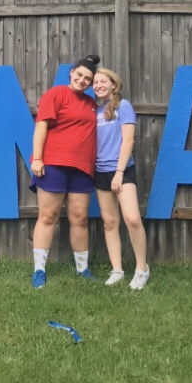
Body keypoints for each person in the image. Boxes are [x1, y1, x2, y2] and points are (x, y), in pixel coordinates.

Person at [29, 54, 100, 289]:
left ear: (91, 83)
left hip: (82, 168)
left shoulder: (92, 104)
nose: (82, 80)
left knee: (80, 218)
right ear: (71, 72)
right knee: (48, 216)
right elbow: (41, 126)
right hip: (53, 164)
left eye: (87, 79)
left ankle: (83, 269)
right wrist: (37, 158)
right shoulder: (55, 94)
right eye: (79, 75)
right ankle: (39, 270)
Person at [91, 67, 149, 290]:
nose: (98, 85)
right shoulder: (96, 111)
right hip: (100, 172)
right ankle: (117, 270)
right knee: (110, 222)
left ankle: (142, 269)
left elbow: (128, 142)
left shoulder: (123, 106)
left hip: (121, 172)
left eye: (103, 81)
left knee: (132, 219)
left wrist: (119, 173)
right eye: (95, 83)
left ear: (114, 85)